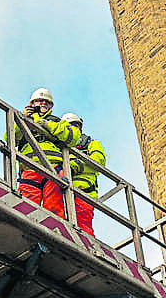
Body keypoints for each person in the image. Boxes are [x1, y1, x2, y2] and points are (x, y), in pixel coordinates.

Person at [6, 88, 81, 217]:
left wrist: (49, 125)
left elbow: (73, 137)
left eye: (46, 102)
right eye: (39, 101)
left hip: (53, 168)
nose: (43, 104)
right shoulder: (22, 119)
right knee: (27, 205)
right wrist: (22, 119)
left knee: (54, 207)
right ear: (32, 104)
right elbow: (9, 138)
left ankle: (54, 230)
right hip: (30, 167)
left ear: (51, 105)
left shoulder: (57, 121)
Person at [61, 112, 107, 235]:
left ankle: (88, 248)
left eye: (77, 125)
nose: (75, 128)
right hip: (62, 189)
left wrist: (75, 166)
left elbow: (98, 161)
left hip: (84, 192)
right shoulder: (61, 146)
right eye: (70, 125)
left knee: (83, 228)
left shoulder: (91, 144)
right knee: (60, 222)